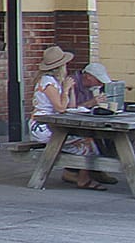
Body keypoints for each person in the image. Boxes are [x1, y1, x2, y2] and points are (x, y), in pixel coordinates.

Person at [29, 45, 108, 190]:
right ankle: (83, 179)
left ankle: (84, 175)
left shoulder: (55, 81)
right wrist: (65, 90)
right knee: (86, 145)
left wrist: (70, 90)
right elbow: (60, 108)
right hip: (43, 126)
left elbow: (70, 107)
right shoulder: (48, 82)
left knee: (88, 141)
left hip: (53, 124)